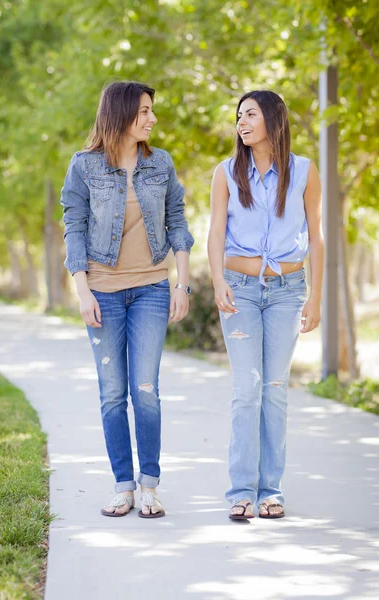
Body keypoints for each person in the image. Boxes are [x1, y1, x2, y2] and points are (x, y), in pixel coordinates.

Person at [60, 81, 194, 518]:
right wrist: (82, 291)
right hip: (102, 291)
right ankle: (123, 486)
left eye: (152, 111)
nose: (152, 119)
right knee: (113, 393)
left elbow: (177, 221)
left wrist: (182, 283)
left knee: (146, 390)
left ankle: (150, 485)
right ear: (120, 115)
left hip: (153, 289)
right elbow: (74, 228)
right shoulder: (84, 167)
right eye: (144, 112)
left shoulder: (162, 164)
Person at [208, 90, 324, 521]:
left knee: (275, 391)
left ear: (273, 118)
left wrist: (315, 295)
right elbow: (216, 231)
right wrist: (218, 280)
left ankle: (270, 491)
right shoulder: (224, 173)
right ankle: (240, 490)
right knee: (247, 388)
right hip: (238, 289)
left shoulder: (305, 173)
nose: (241, 121)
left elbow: (317, 236)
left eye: (250, 114)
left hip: (288, 291)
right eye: (238, 115)